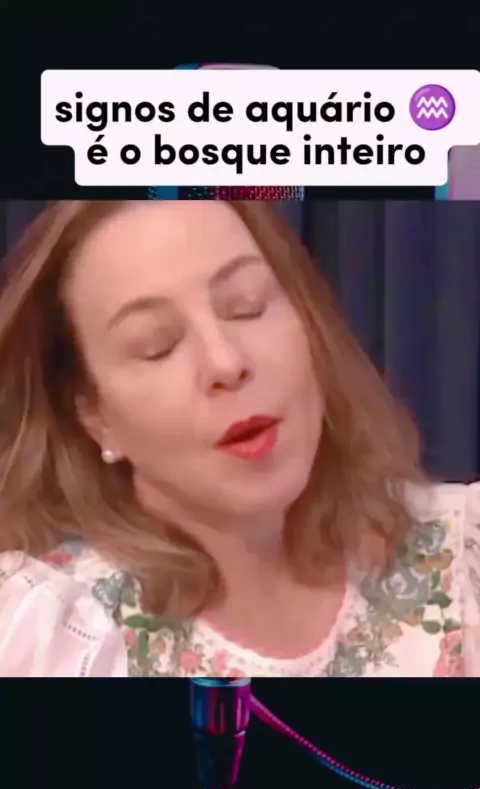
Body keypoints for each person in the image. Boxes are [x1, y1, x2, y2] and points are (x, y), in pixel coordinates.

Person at [0, 199, 478, 678]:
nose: (226, 363)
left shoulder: (463, 557)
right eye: (157, 345)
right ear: (94, 415)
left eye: (247, 306)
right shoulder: (49, 636)